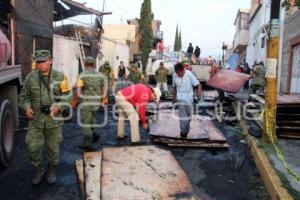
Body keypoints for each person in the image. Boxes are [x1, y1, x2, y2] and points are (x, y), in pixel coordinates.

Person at [19, 50, 71, 185]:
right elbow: (23, 96)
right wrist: (26, 107)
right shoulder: (31, 77)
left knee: (53, 149)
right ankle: (39, 170)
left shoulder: (60, 77)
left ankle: (52, 170)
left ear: (50, 61)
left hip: (54, 121)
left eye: (43, 61)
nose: (41, 65)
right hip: (35, 121)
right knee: (32, 148)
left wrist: (59, 107)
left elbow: (68, 96)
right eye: (38, 62)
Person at [75, 57, 107, 150]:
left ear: (85, 64)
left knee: (85, 123)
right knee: (92, 118)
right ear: (94, 64)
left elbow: (78, 91)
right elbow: (104, 88)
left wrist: (75, 102)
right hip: (96, 102)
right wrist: (103, 98)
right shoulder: (100, 76)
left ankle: (87, 143)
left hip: (86, 103)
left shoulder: (82, 75)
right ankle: (96, 132)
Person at [172, 62, 202, 138]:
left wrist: (199, 94)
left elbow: (198, 85)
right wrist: (174, 98)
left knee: (188, 118)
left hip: (189, 100)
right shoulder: (174, 76)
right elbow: (174, 87)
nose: (178, 75)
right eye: (177, 73)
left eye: (179, 73)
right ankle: (183, 133)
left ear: (183, 70)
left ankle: (185, 131)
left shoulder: (189, 75)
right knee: (183, 119)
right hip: (180, 100)